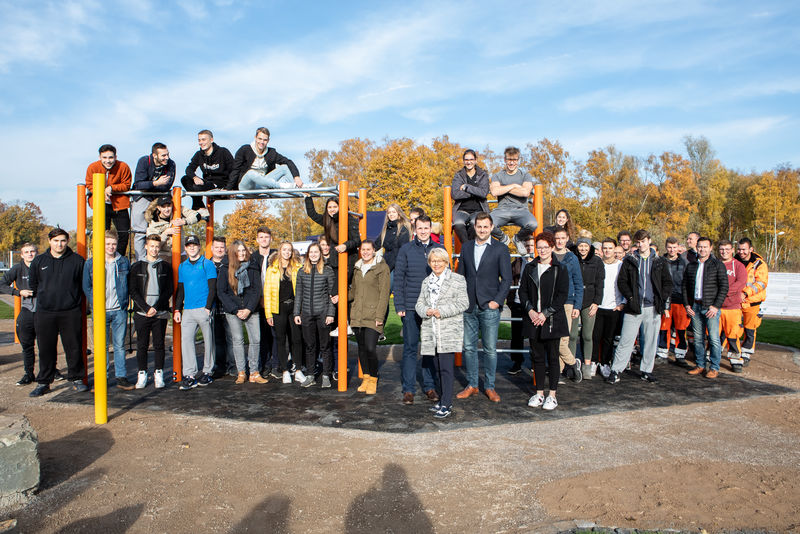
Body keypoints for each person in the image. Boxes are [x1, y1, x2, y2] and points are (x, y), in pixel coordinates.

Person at [456, 212, 512, 403]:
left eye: (485, 227)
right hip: (469, 306)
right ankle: (472, 385)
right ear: (475, 227)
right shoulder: (466, 247)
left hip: (490, 306)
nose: (482, 230)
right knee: (469, 348)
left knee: (490, 350)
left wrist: (497, 301)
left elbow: (506, 280)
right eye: (479, 226)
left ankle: (489, 386)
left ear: (491, 227)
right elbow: (460, 276)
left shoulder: (500, 249)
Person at [606, 229, 673, 384]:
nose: (640, 244)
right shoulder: (630, 260)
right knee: (626, 340)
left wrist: (661, 299)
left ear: (649, 241)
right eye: (638, 242)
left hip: (653, 307)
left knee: (650, 341)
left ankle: (646, 370)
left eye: (643, 241)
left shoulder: (659, 261)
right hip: (634, 307)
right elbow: (622, 281)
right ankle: (616, 370)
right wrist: (630, 297)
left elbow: (667, 283)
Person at [29, 229, 87, 397]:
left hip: (70, 311)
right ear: (50, 241)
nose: (59, 244)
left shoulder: (77, 261)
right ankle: (44, 382)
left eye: (62, 241)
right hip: (46, 312)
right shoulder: (39, 261)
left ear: (67, 241)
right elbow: (34, 285)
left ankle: (76, 379)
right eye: (56, 241)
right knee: (46, 348)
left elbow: (83, 285)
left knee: (74, 347)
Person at [394, 215, 444, 404]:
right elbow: (398, 278)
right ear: (415, 229)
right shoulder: (406, 250)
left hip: (432, 308)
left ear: (431, 229)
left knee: (430, 349)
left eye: (426, 228)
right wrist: (399, 305)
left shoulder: (439, 250)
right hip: (411, 307)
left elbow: (446, 278)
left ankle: (430, 386)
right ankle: (408, 389)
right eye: (420, 228)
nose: (423, 231)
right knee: (410, 348)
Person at [415, 247, 469, 418]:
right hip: (431, 330)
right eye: (433, 261)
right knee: (437, 367)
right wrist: (426, 310)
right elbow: (419, 304)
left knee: (446, 368)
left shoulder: (457, 280)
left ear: (446, 262)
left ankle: (446, 403)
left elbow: (463, 303)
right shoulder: (426, 282)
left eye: (439, 261)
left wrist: (441, 311)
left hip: (448, 330)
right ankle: (442, 400)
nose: (436, 264)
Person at [519, 231, 569, 410]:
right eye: (539, 247)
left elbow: (562, 295)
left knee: (553, 357)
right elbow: (522, 291)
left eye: (545, 247)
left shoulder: (560, 268)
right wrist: (531, 311)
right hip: (534, 319)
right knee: (537, 357)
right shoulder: (530, 267)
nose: (542, 250)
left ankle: (552, 395)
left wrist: (545, 314)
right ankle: (539, 393)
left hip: (552, 320)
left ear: (552, 247)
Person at [82, 230, 132, 390]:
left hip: (119, 309)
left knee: (119, 345)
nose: (111, 247)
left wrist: (126, 302)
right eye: (108, 244)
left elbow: (128, 284)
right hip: (101, 310)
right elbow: (87, 286)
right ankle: (101, 379)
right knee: (101, 347)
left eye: (113, 244)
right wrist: (95, 302)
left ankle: (121, 377)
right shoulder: (92, 263)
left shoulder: (123, 262)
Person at [217, 240, 266, 385]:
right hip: (233, 311)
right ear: (233, 252)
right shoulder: (225, 268)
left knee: (255, 339)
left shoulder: (253, 266)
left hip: (251, 309)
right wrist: (235, 310)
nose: (242, 253)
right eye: (239, 251)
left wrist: (249, 309)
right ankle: (241, 372)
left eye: (244, 250)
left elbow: (257, 290)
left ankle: (254, 372)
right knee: (238, 341)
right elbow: (222, 291)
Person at [129, 234, 173, 389]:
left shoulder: (165, 266)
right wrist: (146, 308)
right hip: (142, 312)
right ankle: (142, 373)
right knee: (142, 344)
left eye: (156, 246)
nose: (154, 249)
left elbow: (168, 290)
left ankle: (158, 373)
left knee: (159, 344)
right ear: (146, 246)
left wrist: (156, 307)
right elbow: (133, 290)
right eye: (151, 246)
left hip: (159, 312)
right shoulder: (137, 266)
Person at [174, 235, 217, 390]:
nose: (191, 248)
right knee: (186, 341)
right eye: (189, 245)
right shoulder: (182, 266)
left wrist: (208, 307)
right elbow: (181, 289)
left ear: (199, 247)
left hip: (203, 308)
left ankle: (207, 371)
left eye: (194, 245)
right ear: (185, 248)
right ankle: (190, 374)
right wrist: (177, 308)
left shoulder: (207, 264)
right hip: (188, 310)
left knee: (208, 341)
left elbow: (212, 287)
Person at [349, 240, 391, 395]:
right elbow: (354, 291)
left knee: (370, 348)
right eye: (363, 249)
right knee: (361, 348)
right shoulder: (357, 267)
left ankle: (373, 378)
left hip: (373, 315)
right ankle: (365, 377)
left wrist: (380, 316)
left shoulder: (381, 268)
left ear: (374, 250)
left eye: (368, 249)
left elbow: (384, 294)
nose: (365, 252)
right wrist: (341, 297)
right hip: (358, 314)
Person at [683, 236, 728, 378]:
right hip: (695, 307)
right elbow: (684, 287)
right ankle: (700, 365)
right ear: (697, 248)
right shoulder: (691, 266)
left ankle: (714, 367)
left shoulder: (717, 265)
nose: (702, 249)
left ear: (710, 248)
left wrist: (715, 306)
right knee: (697, 338)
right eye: (700, 246)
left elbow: (724, 287)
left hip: (710, 308)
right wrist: (686, 305)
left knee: (714, 339)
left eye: (705, 247)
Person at [293, 242, 337, 388]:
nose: (313, 254)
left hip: (323, 314)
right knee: (310, 346)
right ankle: (311, 375)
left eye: (316, 252)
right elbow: (298, 294)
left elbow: (332, 294)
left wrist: (331, 313)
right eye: (311, 252)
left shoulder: (327, 270)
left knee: (325, 346)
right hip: (306, 314)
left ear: (320, 254)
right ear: (307, 254)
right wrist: (296, 313)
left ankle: (326, 375)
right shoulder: (301, 271)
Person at [264, 241, 305, 384]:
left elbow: (302, 290)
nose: (287, 252)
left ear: (292, 252)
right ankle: (284, 371)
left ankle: (298, 369)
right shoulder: (272, 269)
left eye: (289, 250)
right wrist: (269, 314)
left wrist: (300, 310)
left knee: (296, 339)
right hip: (278, 308)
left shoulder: (297, 267)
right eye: (284, 250)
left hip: (294, 308)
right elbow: (267, 292)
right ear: (280, 251)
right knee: (281, 340)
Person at [1, 243, 39, 385]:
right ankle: (29, 373)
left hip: (44, 310)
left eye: (32, 251)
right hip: (27, 309)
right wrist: (18, 292)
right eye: (27, 252)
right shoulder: (18, 268)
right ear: (22, 255)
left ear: (37, 253)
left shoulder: (43, 266)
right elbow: (2, 284)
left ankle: (51, 370)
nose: (30, 254)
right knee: (27, 343)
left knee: (46, 343)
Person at [488, 146, 538, 254]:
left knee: (533, 224)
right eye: (509, 160)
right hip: (502, 210)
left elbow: (525, 192)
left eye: (514, 160)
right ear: (505, 160)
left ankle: (518, 238)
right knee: (487, 224)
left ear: (518, 160)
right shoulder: (498, 175)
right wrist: (514, 186)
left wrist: (504, 188)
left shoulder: (525, 175)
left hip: (521, 210)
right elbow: (494, 192)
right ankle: (503, 238)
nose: (511, 163)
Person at [85, 144, 132, 256]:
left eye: (111, 157)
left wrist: (112, 188)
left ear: (115, 157)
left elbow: (127, 184)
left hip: (119, 205)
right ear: (99, 157)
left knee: (124, 233)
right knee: (101, 233)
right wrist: (101, 192)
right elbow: (89, 184)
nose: (108, 161)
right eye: (104, 158)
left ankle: (119, 257)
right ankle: (100, 258)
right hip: (101, 205)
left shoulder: (123, 166)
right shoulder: (93, 167)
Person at [132, 143, 176, 260]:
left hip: (159, 198)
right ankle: (141, 261)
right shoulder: (144, 161)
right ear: (154, 155)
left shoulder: (171, 164)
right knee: (140, 231)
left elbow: (166, 185)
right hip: (142, 197)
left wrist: (150, 185)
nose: (166, 158)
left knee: (161, 229)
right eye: (163, 155)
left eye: (167, 154)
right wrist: (156, 183)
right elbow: (139, 184)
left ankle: (159, 260)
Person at [228, 127, 308, 190]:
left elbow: (287, 161)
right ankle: (281, 186)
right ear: (255, 138)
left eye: (265, 140)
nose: (262, 142)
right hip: (247, 186)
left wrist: (296, 176)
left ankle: (299, 187)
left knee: (284, 167)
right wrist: (229, 189)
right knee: (251, 173)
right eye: (260, 139)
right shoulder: (245, 150)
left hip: (262, 185)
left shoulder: (271, 153)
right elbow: (235, 170)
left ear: (268, 141)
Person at [304, 195, 361, 282]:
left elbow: (357, 241)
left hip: (348, 260)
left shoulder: (349, 219)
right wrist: (308, 197)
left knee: (341, 287)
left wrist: (345, 245)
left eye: (335, 206)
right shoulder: (328, 220)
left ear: (340, 207)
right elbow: (312, 214)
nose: (332, 209)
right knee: (332, 288)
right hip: (334, 261)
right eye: (329, 207)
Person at [570, 235, 604, 378]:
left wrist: (596, 302)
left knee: (587, 335)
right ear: (577, 247)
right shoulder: (572, 259)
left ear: (590, 247)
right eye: (580, 246)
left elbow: (600, 283)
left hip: (590, 300)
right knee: (571, 335)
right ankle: (570, 364)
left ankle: (587, 365)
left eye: (586, 246)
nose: (583, 249)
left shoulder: (596, 261)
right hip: (574, 300)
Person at [552, 228, 584, 382]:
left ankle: (558, 371)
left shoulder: (572, 258)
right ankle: (572, 363)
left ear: (567, 239)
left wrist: (577, 306)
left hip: (567, 302)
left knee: (563, 339)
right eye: (557, 238)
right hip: (551, 302)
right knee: (554, 338)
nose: (559, 241)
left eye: (562, 238)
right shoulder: (548, 255)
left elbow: (578, 283)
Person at [180, 129, 234, 214]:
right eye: (199, 140)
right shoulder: (199, 154)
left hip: (220, 184)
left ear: (211, 140)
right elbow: (189, 169)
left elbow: (233, 171)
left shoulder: (223, 152)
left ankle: (197, 206)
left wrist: (230, 188)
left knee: (197, 188)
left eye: (203, 140)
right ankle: (200, 206)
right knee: (185, 179)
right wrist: (194, 177)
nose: (201, 142)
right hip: (207, 183)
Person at [592, 238, 625, 377]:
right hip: (598, 307)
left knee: (608, 338)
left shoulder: (620, 265)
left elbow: (625, 285)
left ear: (614, 249)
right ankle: (593, 362)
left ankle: (605, 362)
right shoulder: (597, 264)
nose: (607, 251)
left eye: (610, 248)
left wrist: (622, 303)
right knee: (595, 336)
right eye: (605, 248)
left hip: (613, 307)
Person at [658, 237, 691, 367]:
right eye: (669, 247)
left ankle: (680, 355)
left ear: (678, 248)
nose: (672, 250)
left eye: (674, 247)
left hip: (680, 300)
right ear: (666, 247)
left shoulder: (684, 263)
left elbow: (688, 283)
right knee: (664, 328)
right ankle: (662, 353)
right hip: (665, 300)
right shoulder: (660, 261)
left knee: (681, 329)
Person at [506, 232, 536, 375]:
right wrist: (511, 301)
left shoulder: (538, 262)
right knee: (516, 334)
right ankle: (517, 362)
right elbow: (511, 281)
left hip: (533, 304)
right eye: (527, 245)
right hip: (518, 302)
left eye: (532, 245)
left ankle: (535, 362)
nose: (530, 248)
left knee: (534, 334)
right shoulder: (516, 263)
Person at [736, 237, 768, 366]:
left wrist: (745, 293)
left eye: (744, 249)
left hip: (752, 301)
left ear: (751, 249)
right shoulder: (734, 261)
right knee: (734, 327)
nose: (741, 252)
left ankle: (746, 353)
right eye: (739, 249)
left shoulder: (759, 264)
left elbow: (761, 283)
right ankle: (734, 351)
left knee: (750, 329)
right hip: (737, 301)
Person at [250, 227, 277, 378]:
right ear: (257, 239)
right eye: (261, 237)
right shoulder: (253, 257)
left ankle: (276, 364)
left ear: (270, 239)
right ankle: (264, 364)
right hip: (257, 302)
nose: (264, 240)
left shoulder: (276, 256)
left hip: (274, 301)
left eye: (267, 237)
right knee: (261, 336)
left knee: (275, 335)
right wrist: (258, 299)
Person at [718, 239, 747, 373]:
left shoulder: (738, 266)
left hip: (732, 307)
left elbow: (740, 282)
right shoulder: (714, 264)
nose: (724, 252)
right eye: (722, 250)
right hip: (716, 306)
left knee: (732, 335)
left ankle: (735, 359)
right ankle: (711, 357)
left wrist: (723, 292)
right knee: (713, 334)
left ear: (732, 250)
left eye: (727, 249)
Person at [450, 149, 490, 244]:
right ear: (463, 161)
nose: (469, 162)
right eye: (466, 160)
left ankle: (467, 249)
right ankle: (467, 248)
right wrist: (475, 191)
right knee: (458, 224)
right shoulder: (459, 176)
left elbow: (484, 193)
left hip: (478, 210)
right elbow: (455, 194)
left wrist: (466, 187)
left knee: (474, 224)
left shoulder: (482, 175)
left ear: (475, 160)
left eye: (471, 159)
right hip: (462, 209)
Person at [210, 237, 234, 378]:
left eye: (222, 247)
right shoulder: (207, 265)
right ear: (212, 248)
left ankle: (233, 365)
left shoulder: (230, 264)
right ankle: (220, 365)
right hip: (214, 308)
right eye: (217, 247)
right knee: (218, 339)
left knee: (232, 338)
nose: (219, 249)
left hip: (228, 307)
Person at [374, 203, 412, 271]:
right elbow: (376, 245)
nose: (391, 214)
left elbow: (403, 250)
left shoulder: (403, 229)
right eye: (389, 212)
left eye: (394, 212)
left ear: (399, 213)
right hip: (386, 264)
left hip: (397, 266)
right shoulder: (386, 229)